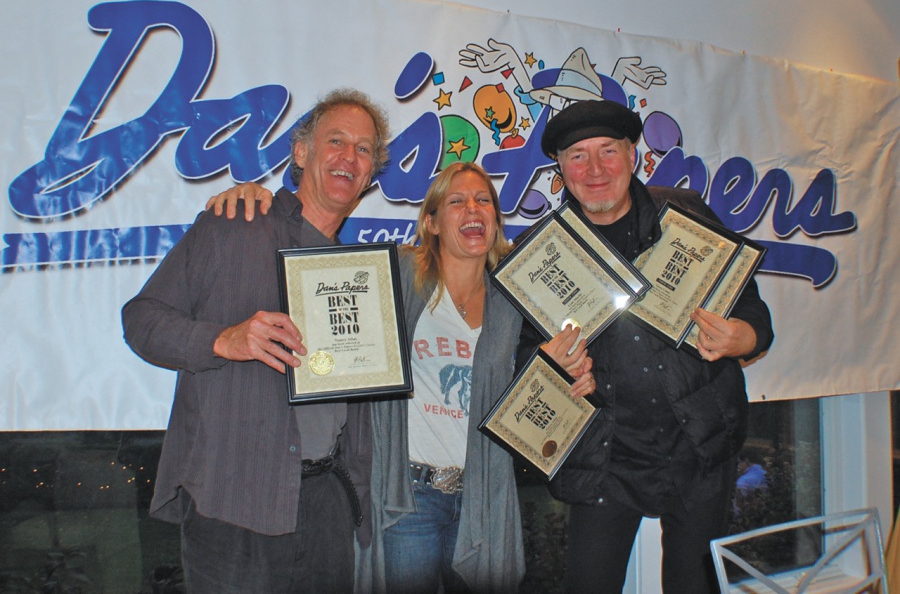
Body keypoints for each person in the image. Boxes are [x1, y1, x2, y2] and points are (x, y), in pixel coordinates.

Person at [210, 162, 594, 593]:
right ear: (430, 221)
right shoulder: (393, 275)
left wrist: (570, 375)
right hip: (408, 498)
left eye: (484, 201)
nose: (473, 208)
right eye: (457, 201)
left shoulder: (515, 301)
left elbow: (534, 383)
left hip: (483, 497)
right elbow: (313, 270)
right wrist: (257, 204)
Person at [121, 88, 391, 593]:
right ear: (301, 152)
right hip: (235, 501)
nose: (348, 157)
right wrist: (223, 339)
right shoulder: (234, 225)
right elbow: (140, 319)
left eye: (362, 149)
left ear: (371, 174)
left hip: (328, 505)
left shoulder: (358, 271)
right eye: (336, 140)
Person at [516, 99, 775, 593]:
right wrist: (551, 367)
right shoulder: (544, 251)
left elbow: (752, 311)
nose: (595, 169)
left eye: (608, 151)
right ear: (560, 169)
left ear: (632, 155)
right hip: (604, 459)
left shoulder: (685, 215)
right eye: (577, 155)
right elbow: (526, 355)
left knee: (694, 587)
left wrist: (743, 337)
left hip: (698, 446)